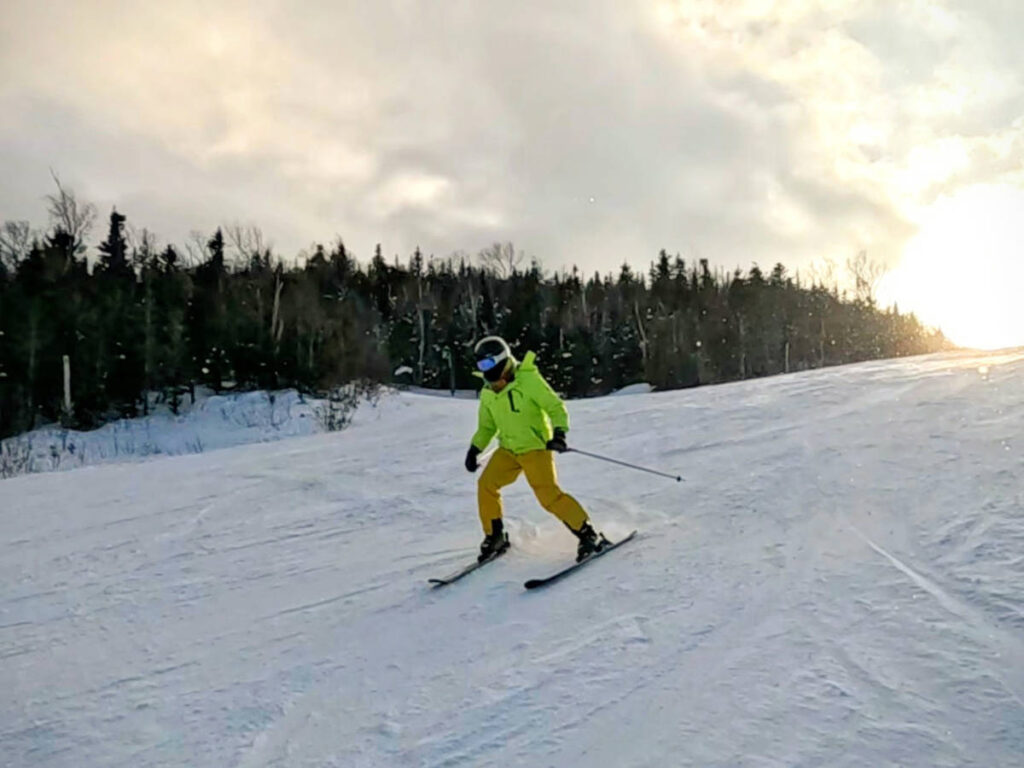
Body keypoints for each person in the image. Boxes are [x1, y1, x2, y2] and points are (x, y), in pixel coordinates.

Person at [464, 336, 607, 563]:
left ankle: (588, 534)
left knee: (548, 495)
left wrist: (559, 433)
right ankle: (495, 537)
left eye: (494, 374)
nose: (493, 383)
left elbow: (555, 406)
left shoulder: (528, 381)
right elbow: (487, 426)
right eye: (484, 372)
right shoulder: (488, 391)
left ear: (504, 364)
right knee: (486, 485)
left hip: (535, 449)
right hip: (508, 450)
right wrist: (475, 449)